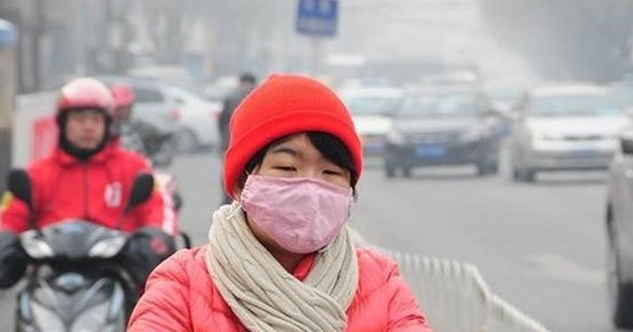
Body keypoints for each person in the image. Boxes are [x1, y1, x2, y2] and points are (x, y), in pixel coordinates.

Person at [127, 74, 431, 331]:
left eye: (331, 172)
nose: (310, 189)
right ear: (240, 183)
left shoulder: (381, 284)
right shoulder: (182, 286)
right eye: (287, 168)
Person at [0, 78, 177, 289]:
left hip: (117, 278)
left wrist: (154, 238)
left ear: (107, 124)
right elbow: (8, 218)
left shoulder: (134, 167)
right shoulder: (37, 173)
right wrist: (6, 240)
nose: (88, 127)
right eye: (79, 119)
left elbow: (159, 210)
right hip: (50, 281)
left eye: (96, 119)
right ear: (63, 123)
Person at [217, 72, 257, 205]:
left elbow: (222, 121)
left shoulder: (230, 96)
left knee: (230, 170)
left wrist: (223, 138)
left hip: (231, 140)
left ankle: (229, 198)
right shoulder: (258, 95)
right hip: (252, 140)